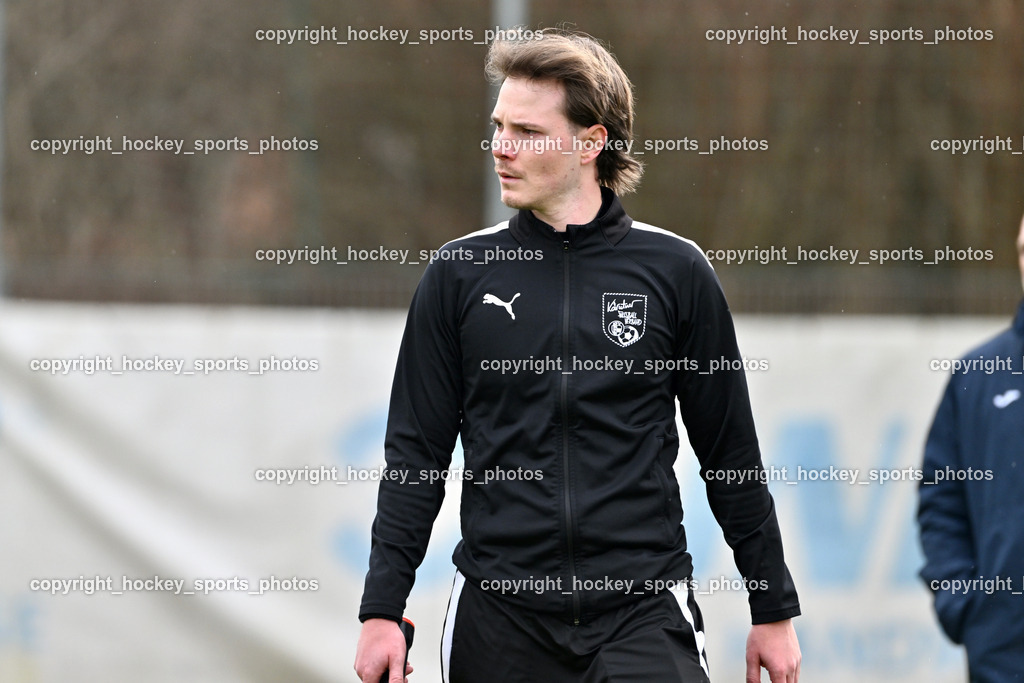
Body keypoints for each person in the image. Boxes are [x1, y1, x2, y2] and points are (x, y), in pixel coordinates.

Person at [354, 28, 801, 683]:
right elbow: (414, 460)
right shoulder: (458, 276)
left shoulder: (676, 273)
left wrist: (773, 606)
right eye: (498, 125)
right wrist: (381, 610)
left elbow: (730, 453)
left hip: (642, 612)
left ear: (591, 143)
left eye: (527, 132)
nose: (500, 148)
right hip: (499, 618)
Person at [918, 217, 1024, 682]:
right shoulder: (979, 375)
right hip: (1003, 656)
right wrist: (966, 605)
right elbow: (941, 501)